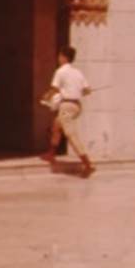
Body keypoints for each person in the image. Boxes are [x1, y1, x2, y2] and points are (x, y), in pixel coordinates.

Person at [41, 46, 94, 177]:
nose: (58, 58)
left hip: (67, 106)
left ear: (64, 57)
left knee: (70, 134)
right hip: (76, 106)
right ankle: (51, 154)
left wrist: (45, 97)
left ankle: (87, 164)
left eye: (60, 56)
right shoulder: (78, 72)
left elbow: (54, 89)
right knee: (56, 126)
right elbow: (87, 90)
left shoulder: (60, 72)